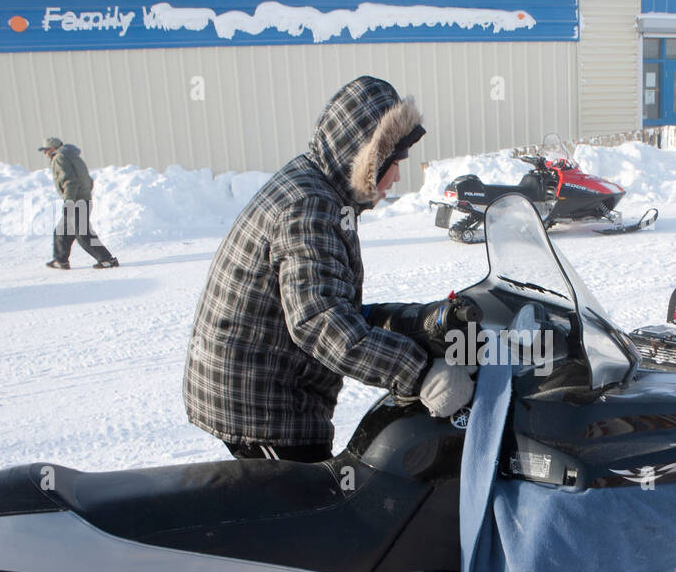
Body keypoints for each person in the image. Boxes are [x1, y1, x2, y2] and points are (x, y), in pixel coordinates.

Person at [183, 76, 473, 462]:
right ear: (371, 156)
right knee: (304, 507)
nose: (398, 176)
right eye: (395, 162)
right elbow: (320, 322)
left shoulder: (319, 185)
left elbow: (331, 299)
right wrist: (420, 373)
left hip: (265, 386)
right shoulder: (310, 207)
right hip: (259, 405)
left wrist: (416, 323)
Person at [39, 136, 120, 270]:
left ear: (53, 148)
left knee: (83, 234)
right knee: (62, 230)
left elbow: (69, 181)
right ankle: (61, 261)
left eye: (46, 150)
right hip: (83, 199)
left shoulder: (59, 158)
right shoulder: (73, 157)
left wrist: (69, 201)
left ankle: (107, 260)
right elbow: (88, 180)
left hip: (76, 201)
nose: (45, 153)